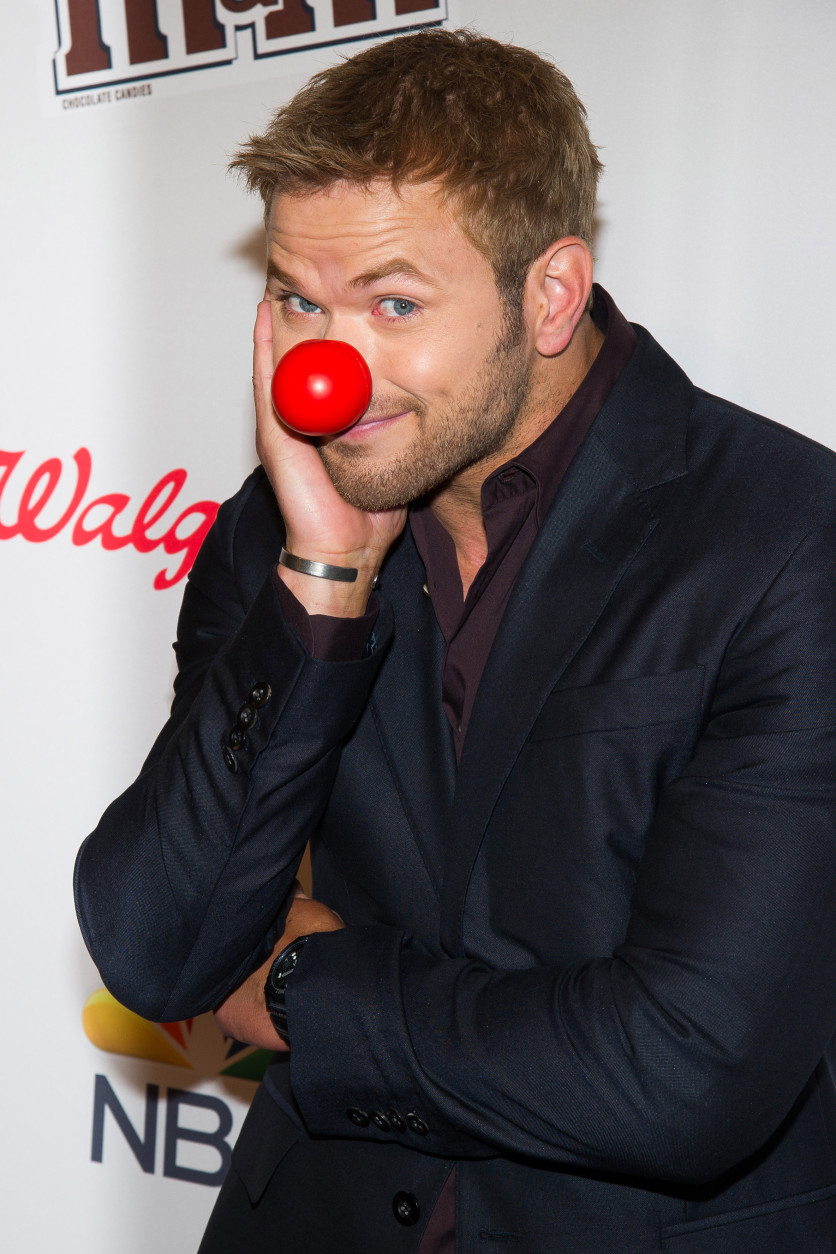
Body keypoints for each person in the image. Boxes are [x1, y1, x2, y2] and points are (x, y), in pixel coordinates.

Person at [74, 28, 836, 1253]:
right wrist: (322, 583)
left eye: (394, 304)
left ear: (549, 295)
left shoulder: (785, 537)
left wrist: (303, 989)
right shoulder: (275, 526)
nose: (327, 371)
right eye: (298, 299)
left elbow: (685, 1071)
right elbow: (158, 948)